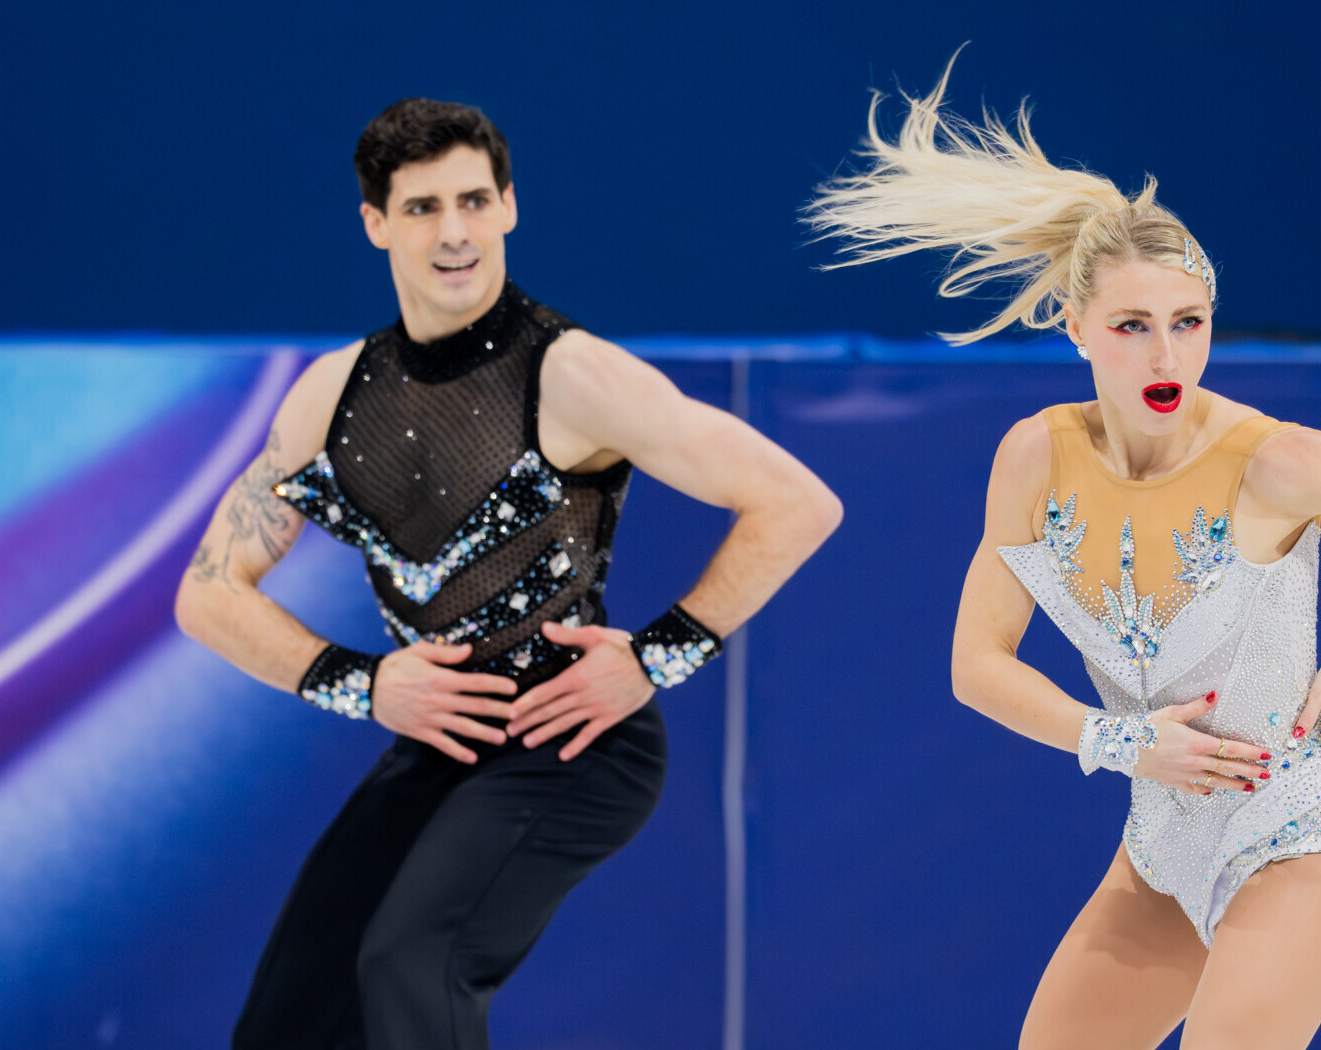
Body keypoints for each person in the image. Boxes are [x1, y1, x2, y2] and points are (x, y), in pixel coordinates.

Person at [808, 64, 1321, 1050]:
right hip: (1160, 843)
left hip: (1305, 827)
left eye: (1188, 325)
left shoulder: (1275, 462)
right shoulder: (1034, 458)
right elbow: (976, 665)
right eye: (1133, 328)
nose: (1165, 358)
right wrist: (1118, 742)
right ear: (1076, 329)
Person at [175, 97, 841, 1050]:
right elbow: (207, 592)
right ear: (375, 224)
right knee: (294, 1012)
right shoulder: (331, 396)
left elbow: (798, 502)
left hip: (573, 738)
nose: (455, 232)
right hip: (438, 744)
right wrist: (364, 684)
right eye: (423, 208)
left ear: (509, 207)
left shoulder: (573, 375)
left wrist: (656, 656)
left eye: (474, 202)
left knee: (414, 962)